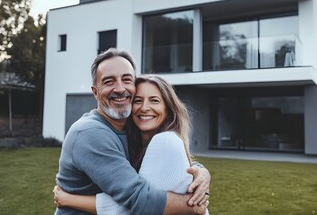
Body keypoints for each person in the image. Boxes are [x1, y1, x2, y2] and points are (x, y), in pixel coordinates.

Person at [55, 48, 210, 214]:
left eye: (127, 80)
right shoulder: (89, 133)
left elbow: (165, 161)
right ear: (95, 92)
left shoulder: (132, 127)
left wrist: (201, 171)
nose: (120, 88)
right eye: (109, 81)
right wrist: (191, 205)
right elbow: (139, 200)